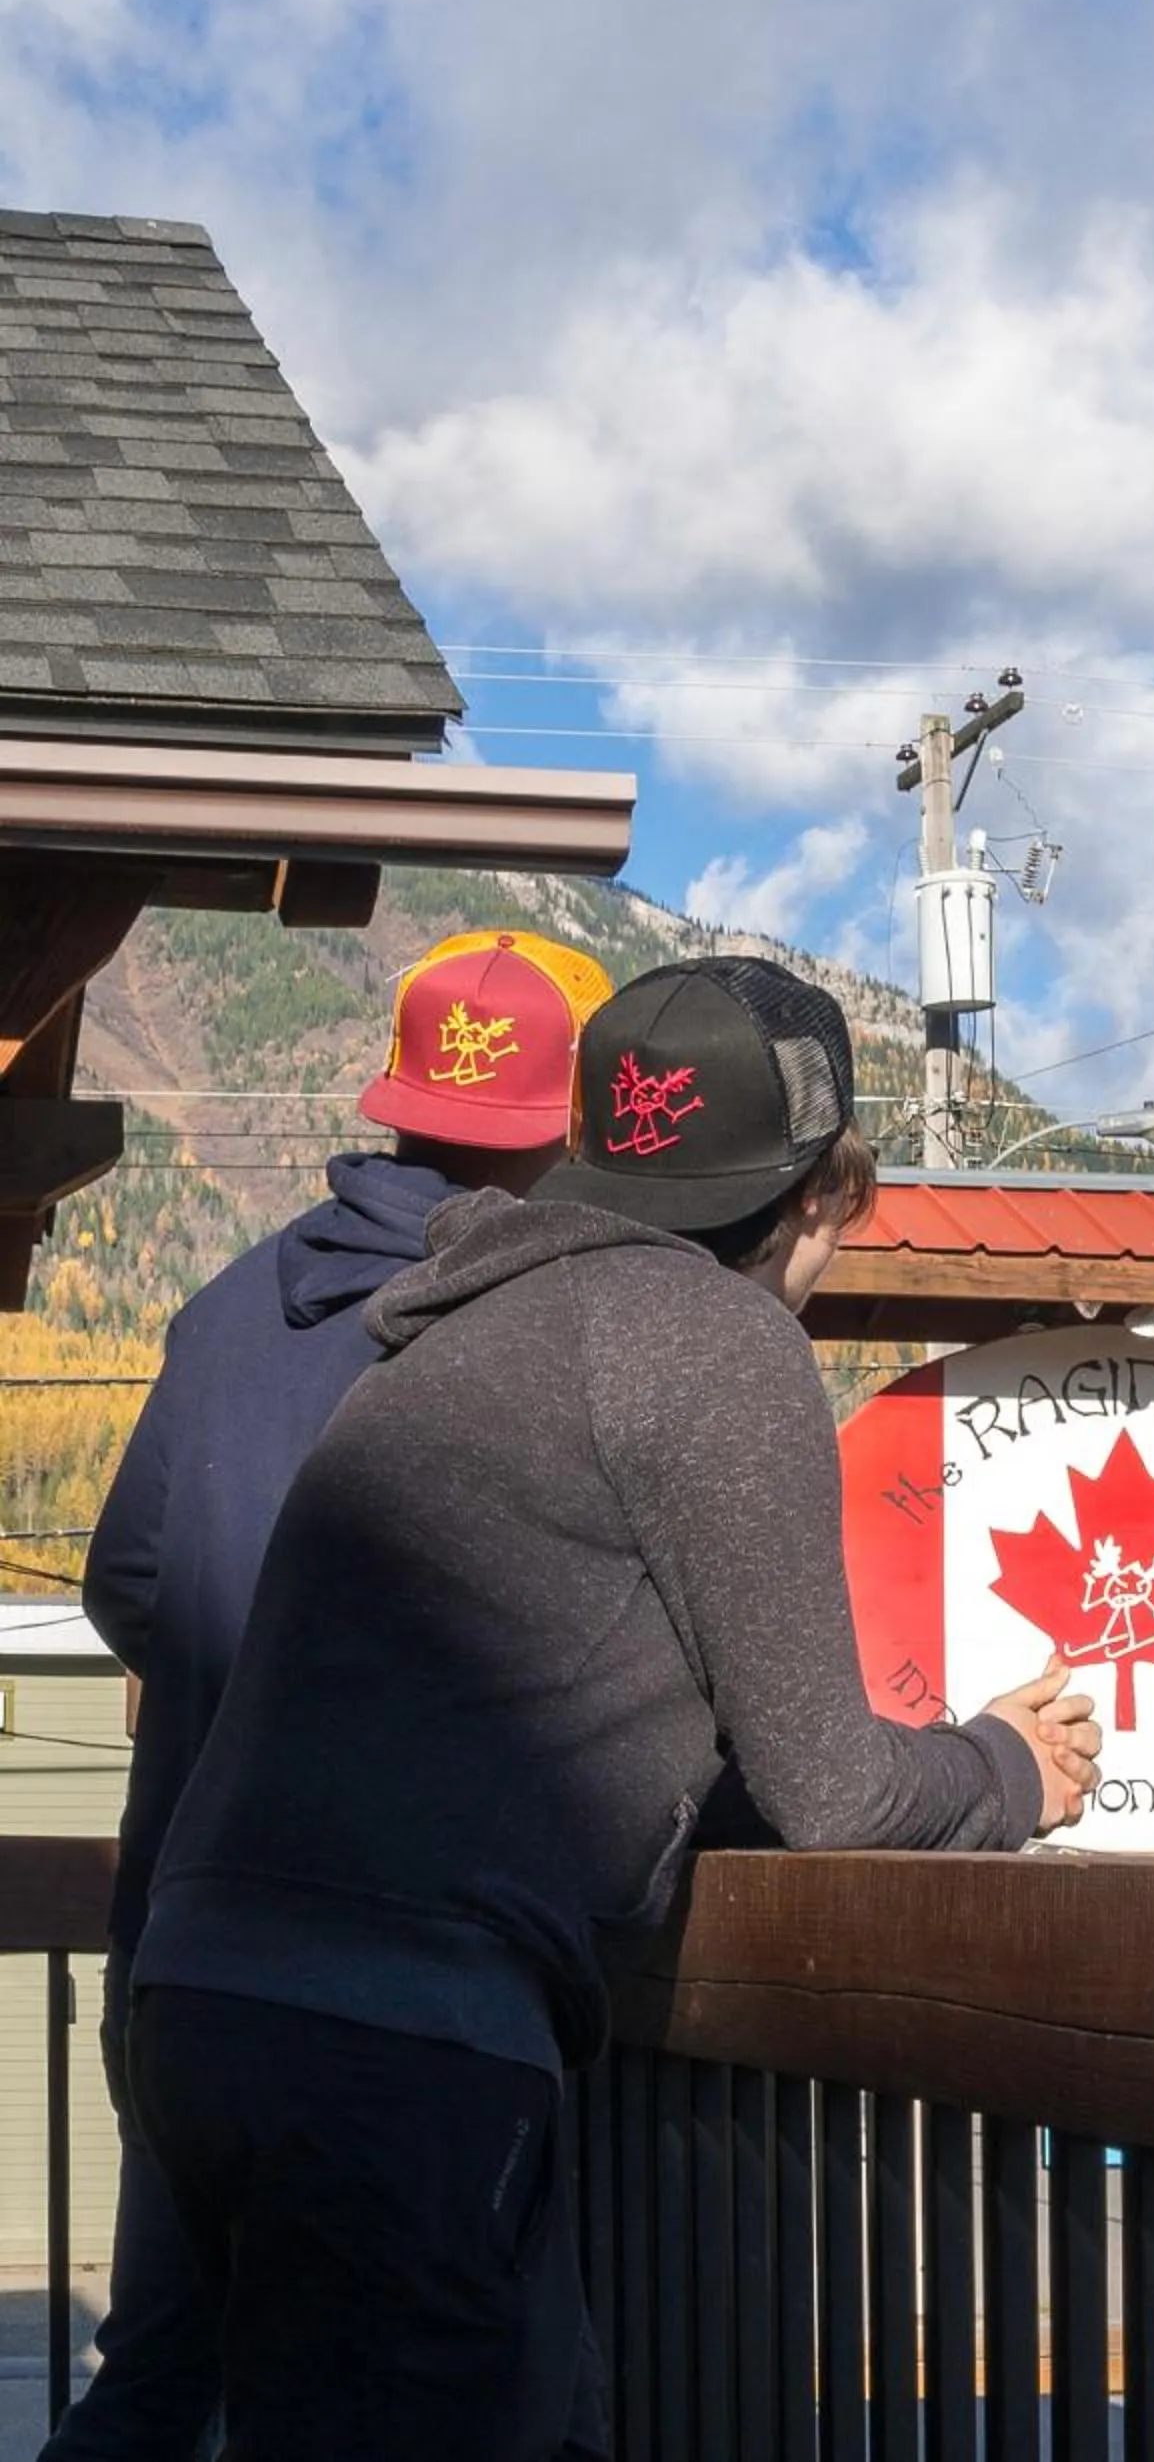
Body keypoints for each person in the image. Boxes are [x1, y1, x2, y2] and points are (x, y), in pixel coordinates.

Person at [126, 955, 1099, 2461]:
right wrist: (1010, 1768)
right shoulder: (715, 1342)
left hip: (208, 1995)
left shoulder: (460, 1325)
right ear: (822, 1189)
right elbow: (829, 1787)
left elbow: (629, 1732)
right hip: (401, 2050)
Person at [50, 928, 614, 2462]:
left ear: (392, 1102)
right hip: (411, 1992)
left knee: (156, 2378)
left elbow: (128, 1581)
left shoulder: (233, 1306)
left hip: (184, 1949)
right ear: (557, 1135)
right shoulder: (531, 1327)